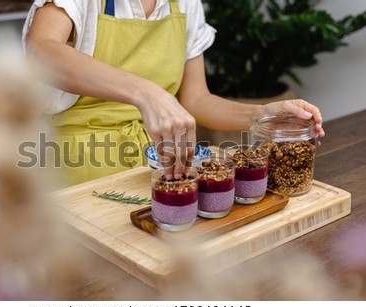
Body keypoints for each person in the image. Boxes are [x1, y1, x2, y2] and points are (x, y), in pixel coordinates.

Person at [23, 0, 324, 187]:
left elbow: (197, 100)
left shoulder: (185, 3)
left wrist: (264, 115)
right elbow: (42, 50)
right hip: (77, 161)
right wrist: (146, 92)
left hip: (158, 163)